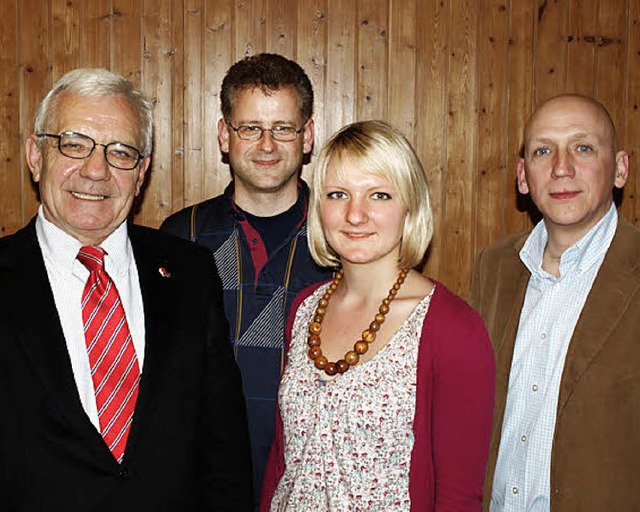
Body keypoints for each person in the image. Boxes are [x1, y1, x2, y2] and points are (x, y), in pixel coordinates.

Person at [0, 68, 252, 511]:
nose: (96, 171)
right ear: (35, 156)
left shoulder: (190, 271)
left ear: (141, 173)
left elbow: (223, 446)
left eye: (121, 152)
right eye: (74, 144)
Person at [261, 120, 495, 511]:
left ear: (410, 206)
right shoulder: (305, 310)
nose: (355, 215)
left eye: (379, 195)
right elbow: (283, 461)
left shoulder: (453, 328)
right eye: (338, 194)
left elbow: (459, 496)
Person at [161, 53, 332, 505]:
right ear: (224, 135)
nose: (267, 145)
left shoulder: (342, 241)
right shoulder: (181, 239)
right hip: (201, 490)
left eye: (283, 128)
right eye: (250, 128)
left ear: (308, 135)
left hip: (311, 489)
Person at [469, 94, 640, 511]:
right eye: (543, 151)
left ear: (620, 168)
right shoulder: (493, 268)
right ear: (523, 176)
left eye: (583, 148)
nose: (562, 168)